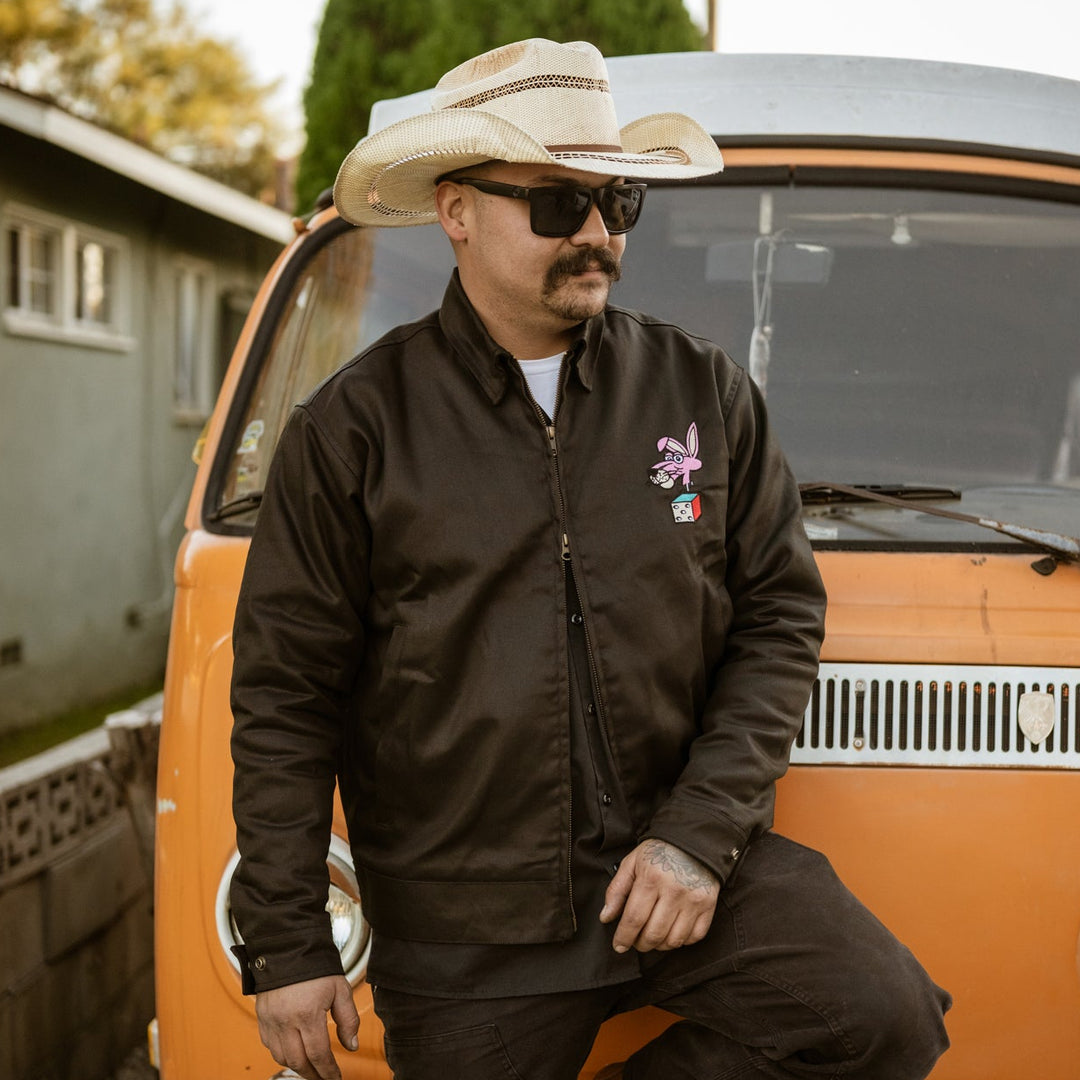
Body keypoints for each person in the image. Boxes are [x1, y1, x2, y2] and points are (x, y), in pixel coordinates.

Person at [229, 37, 951, 1080]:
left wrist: (700, 834)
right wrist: (287, 942)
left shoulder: (700, 392)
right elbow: (284, 695)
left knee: (880, 1016)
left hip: (679, 867)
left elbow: (779, 617)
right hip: (466, 927)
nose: (599, 235)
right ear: (457, 211)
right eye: (558, 206)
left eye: (617, 204)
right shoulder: (354, 432)